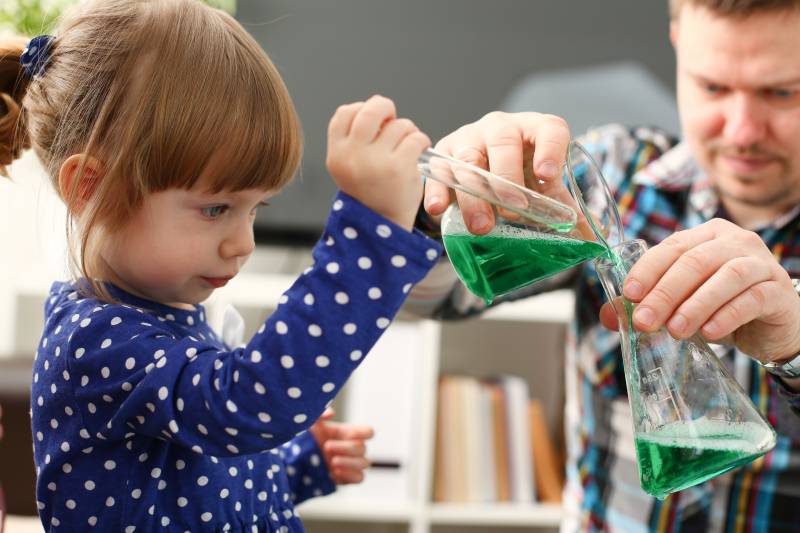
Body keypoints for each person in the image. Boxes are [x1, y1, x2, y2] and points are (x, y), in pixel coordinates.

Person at [0, 0, 441, 530]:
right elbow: (245, 408)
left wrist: (298, 467)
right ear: (88, 188)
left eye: (256, 209)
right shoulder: (95, 342)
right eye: (217, 209)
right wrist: (368, 235)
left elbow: (194, 485)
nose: (243, 243)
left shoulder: (162, 319)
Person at [411, 0, 800, 530]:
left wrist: (794, 349)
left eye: (782, 92)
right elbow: (429, 299)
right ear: (677, 44)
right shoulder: (611, 173)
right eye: (713, 87)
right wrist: (448, 208)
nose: (742, 130)